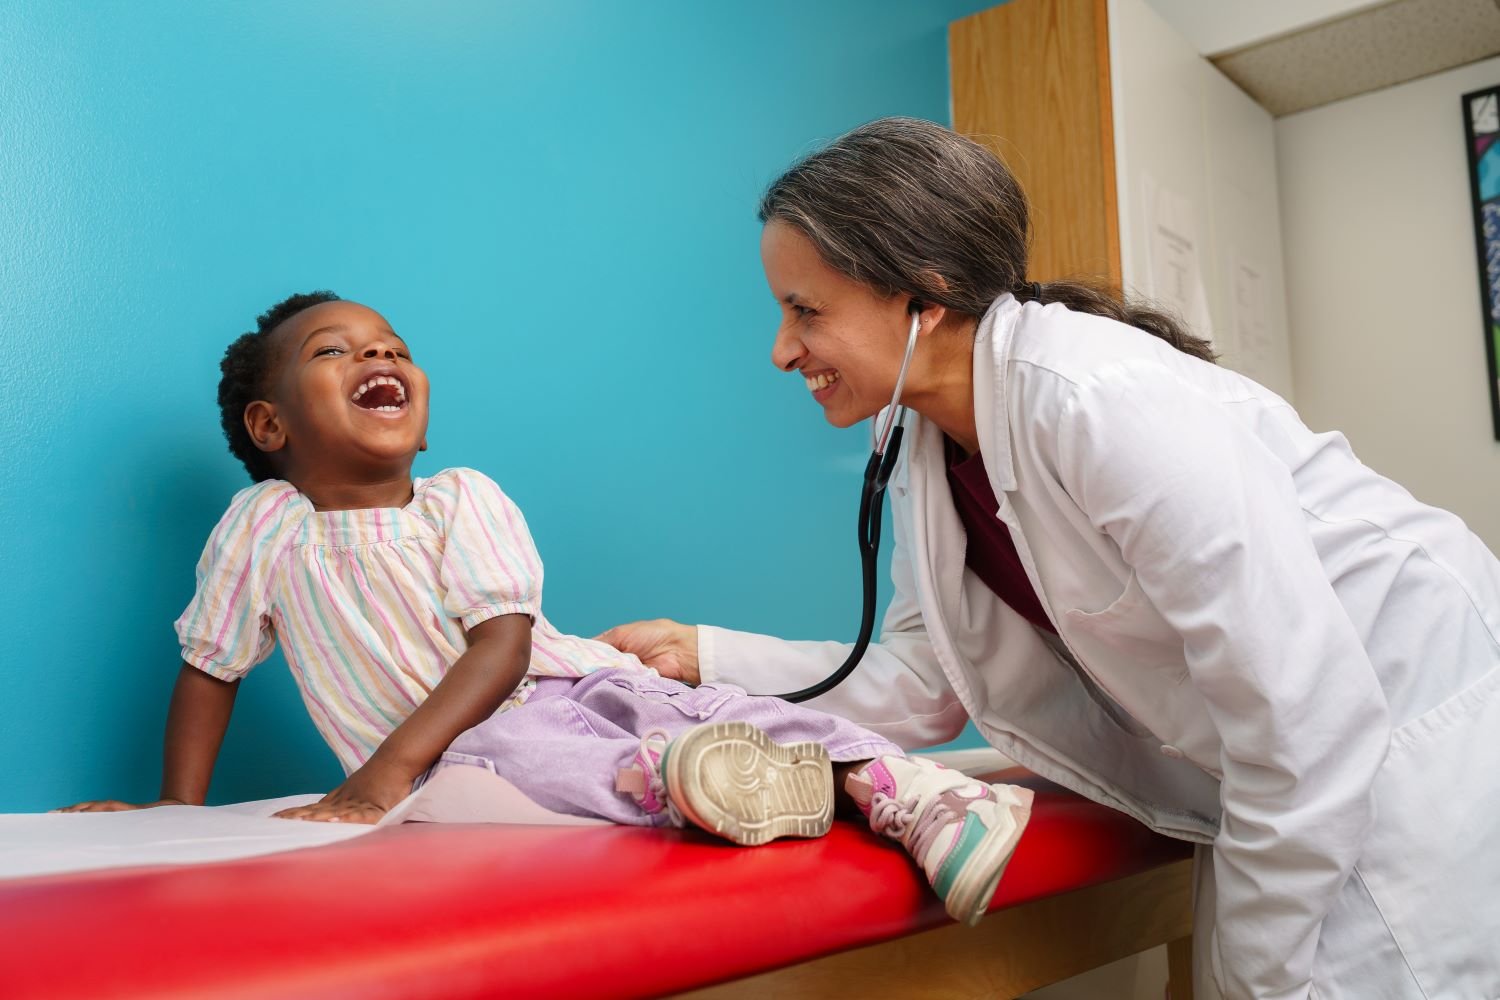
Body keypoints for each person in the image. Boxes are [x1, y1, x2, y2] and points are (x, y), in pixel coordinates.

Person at [597, 117, 1500, 1000]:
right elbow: (925, 683)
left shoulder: (1098, 401)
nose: (783, 350)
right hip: (1290, 762)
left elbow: (1307, 716)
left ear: (923, 292)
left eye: (806, 310)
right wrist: (701, 654)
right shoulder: (918, 442)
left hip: (1411, 726)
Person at [56, 290, 1033, 926]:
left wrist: (378, 774)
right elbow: (209, 665)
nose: (376, 354)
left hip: (545, 686)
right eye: (334, 350)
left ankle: (915, 791)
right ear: (270, 423)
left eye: (390, 345)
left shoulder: (461, 499)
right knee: (528, 768)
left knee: (696, 706)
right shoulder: (261, 526)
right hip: (451, 769)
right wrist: (175, 811)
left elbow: (503, 643)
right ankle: (698, 785)